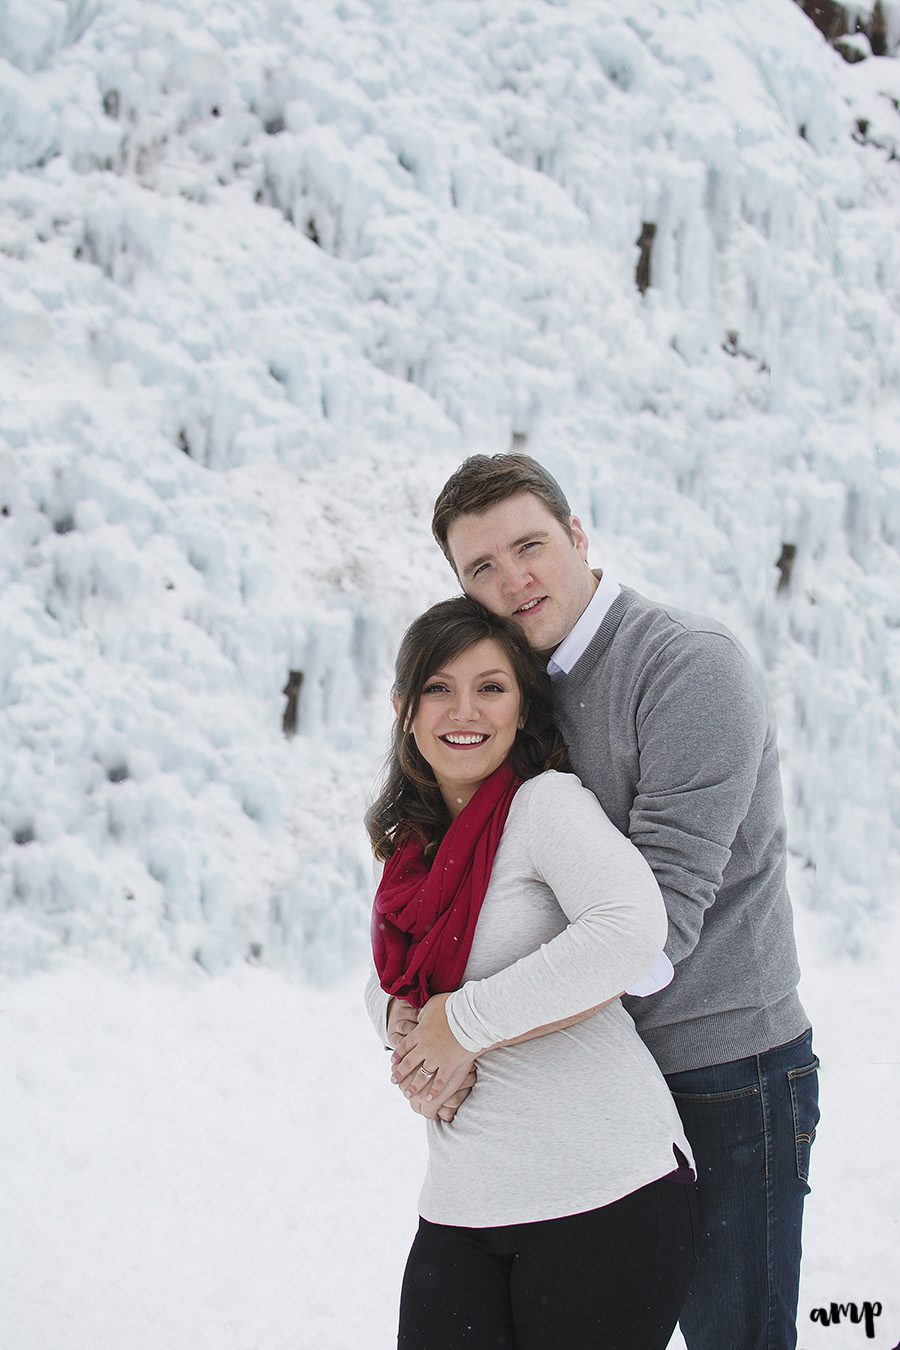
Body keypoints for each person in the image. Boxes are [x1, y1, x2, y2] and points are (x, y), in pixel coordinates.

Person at [419, 452, 820, 1350]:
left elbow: (651, 941)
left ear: (576, 535)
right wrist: (420, 1031)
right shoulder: (510, 692)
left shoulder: (686, 667)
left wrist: (465, 1027)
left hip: (724, 1073)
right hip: (589, 1081)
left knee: (735, 1337)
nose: (512, 580)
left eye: (529, 546)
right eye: (481, 567)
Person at [365, 597, 698, 1350]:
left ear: (523, 707)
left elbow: (631, 931)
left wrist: (463, 1024)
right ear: (403, 708)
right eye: (439, 687)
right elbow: (394, 980)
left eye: (492, 687)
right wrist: (401, 1024)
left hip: (604, 1193)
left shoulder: (545, 806)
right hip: (464, 1201)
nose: (465, 710)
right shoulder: (412, 846)